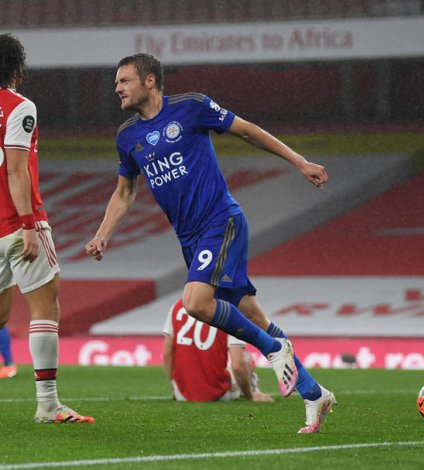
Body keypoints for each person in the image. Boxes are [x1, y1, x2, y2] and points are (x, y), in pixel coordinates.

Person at [85, 53, 335, 433]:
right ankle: (314, 393)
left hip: (221, 221)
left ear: (150, 81)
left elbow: (248, 130)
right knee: (252, 314)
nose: (116, 87)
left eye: (124, 80)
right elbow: (125, 192)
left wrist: (299, 161)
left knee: (195, 303)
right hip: (190, 238)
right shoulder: (128, 136)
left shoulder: (192, 108)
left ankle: (272, 350)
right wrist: (103, 235)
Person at [0, 34, 94, 424]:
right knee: (45, 308)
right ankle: (49, 404)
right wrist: (27, 225)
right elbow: (17, 169)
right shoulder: (19, 106)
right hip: (19, 223)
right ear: (17, 68)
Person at [163, 298, 273, 402]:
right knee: (247, 359)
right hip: (218, 393)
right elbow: (238, 366)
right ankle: (250, 390)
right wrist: (250, 396)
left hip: (182, 394)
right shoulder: (230, 312)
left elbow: (167, 353)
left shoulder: (177, 306)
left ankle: (177, 388)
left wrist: (175, 387)